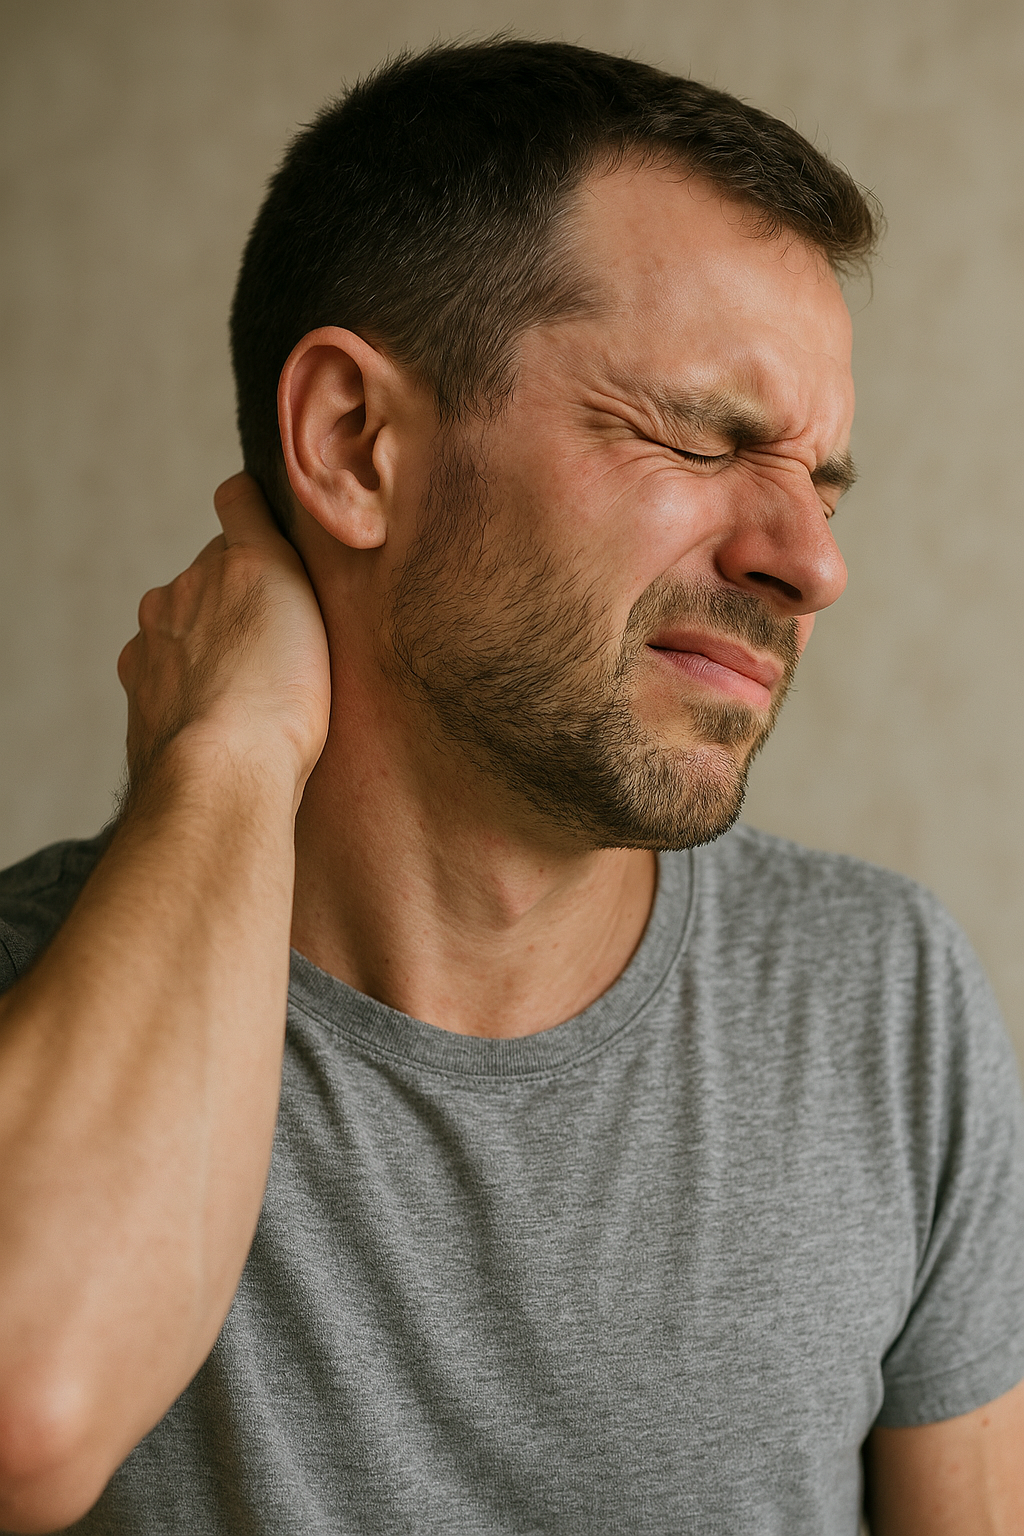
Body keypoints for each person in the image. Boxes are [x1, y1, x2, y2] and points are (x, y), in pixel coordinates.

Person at [0, 37, 1022, 1535]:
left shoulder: (879, 997)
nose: (809, 563)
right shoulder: (32, 1009)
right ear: (356, 446)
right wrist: (225, 758)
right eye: (700, 434)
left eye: (820, 482)